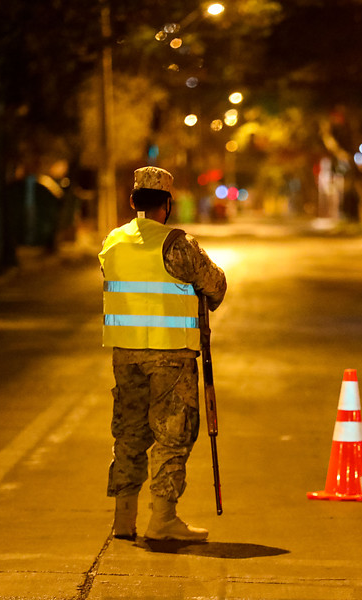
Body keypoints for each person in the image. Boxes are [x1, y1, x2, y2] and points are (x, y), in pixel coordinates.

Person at [99, 166, 227, 542]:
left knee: (129, 432)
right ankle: (163, 520)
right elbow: (215, 286)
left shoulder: (112, 241)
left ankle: (124, 519)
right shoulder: (176, 243)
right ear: (167, 204)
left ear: (132, 201)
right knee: (173, 434)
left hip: (125, 353)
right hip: (170, 355)